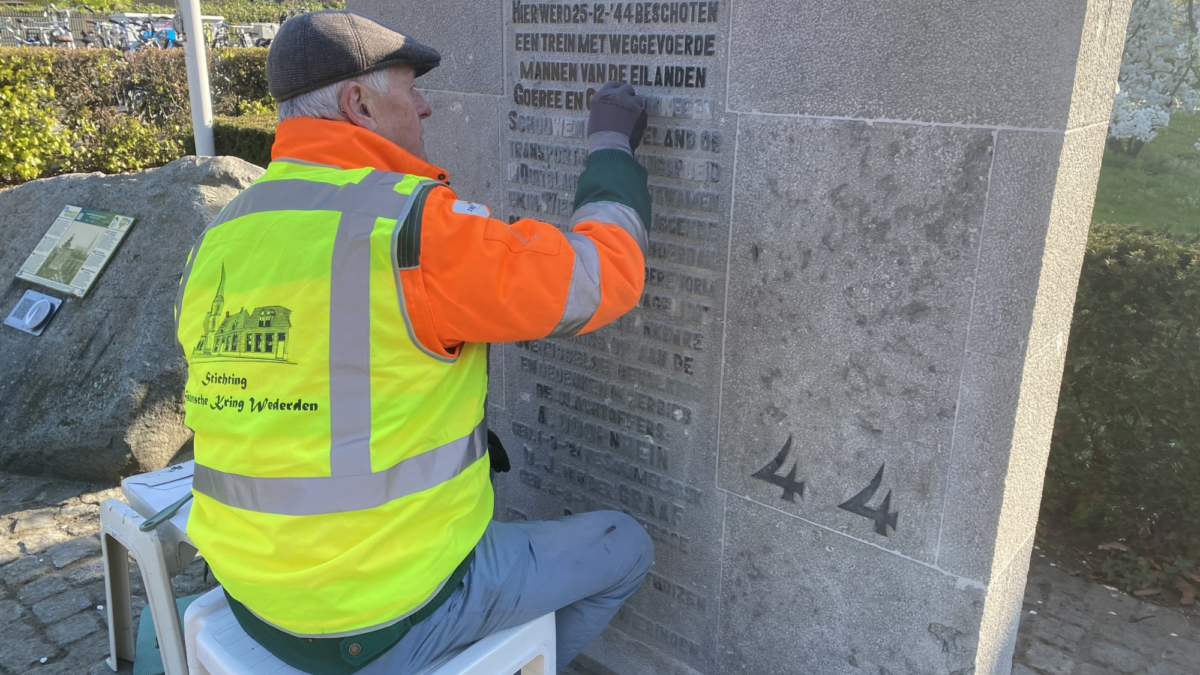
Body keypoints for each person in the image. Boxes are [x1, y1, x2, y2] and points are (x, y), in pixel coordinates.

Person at [173, 9, 653, 675]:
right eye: (409, 87)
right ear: (359, 102)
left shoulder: (220, 236)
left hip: (250, 592)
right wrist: (610, 152)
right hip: (382, 613)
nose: (426, 107)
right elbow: (603, 277)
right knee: (624, 546)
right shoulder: (413, 230)